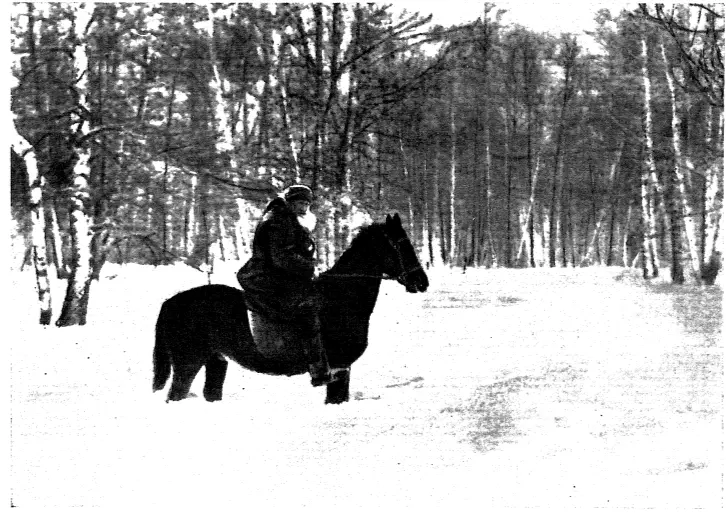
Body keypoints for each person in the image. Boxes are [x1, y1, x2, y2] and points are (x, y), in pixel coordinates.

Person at [237, 184, 332, 386]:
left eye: (306, 204)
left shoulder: (288, 219)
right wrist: (308, 268)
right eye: (299, 203)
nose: (303, 208)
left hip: (283, 275)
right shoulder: (278, 221)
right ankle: (316, 367)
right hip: (266, 276)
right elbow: (280, 257)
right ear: (289, 202)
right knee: (306, 308)